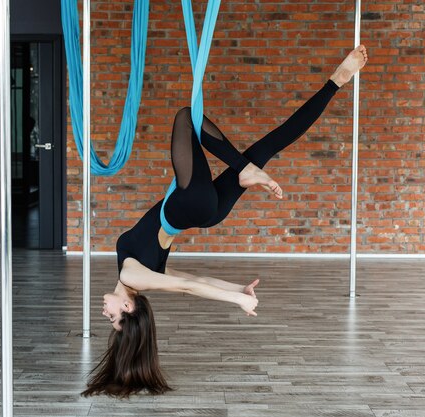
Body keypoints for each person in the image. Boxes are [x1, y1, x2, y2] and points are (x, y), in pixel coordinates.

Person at [82, 46, 369, 398]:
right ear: (127, 308)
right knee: (187, 117)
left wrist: (238, 289)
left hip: (208, 211)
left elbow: (196, 279)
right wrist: (237, 302)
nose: (105, 313)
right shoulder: (131, 277)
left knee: (270, 143)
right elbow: (190, 288)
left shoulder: (146, 276)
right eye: (112, 318)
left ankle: (336, 82)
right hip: (190, 203)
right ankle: (245, 169)